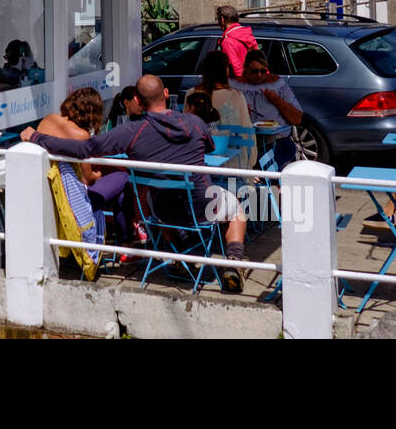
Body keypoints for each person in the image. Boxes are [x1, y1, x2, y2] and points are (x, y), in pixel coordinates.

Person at [22, 75, 250, 293]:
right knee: (236, 209)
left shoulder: (131, 131)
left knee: (154, 195)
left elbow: (85, 149)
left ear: (138, 101)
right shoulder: (195, 123)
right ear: (167, 94)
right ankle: (234, 261)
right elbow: (209, 147)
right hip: (203, 206)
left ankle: (182, 256)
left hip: (161, 211)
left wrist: (36, 137)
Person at [231, 49, 303, 169]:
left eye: (263, 71)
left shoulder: (278, 85)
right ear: (245, 70)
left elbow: (297, 118)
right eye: (254, 71)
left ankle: (266, 181)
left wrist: (276, 100)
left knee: (280, 152)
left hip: (274, 140)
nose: (259, 75)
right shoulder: (235, 86)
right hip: (244, 141)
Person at [186, 51, 253, 128]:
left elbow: (186, 128)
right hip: (230, 139)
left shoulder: (191, 93)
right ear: (226, 71)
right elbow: (247, 129)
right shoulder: (237, 95)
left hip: (200, 139)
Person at [216, 5, 259, 79]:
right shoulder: (247, 35)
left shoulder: (227, 41)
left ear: (222, 19)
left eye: (218, 20)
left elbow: (235, 68)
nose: (218, 23)